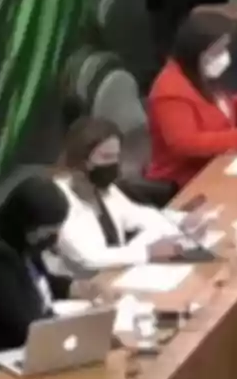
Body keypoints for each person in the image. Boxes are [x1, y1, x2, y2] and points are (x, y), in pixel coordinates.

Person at [0, 175, 86, 379]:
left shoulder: (21, 242)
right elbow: (25, 324)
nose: (54, 237)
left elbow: (38, 280)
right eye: (49, 230)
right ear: (27, 222)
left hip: (29, 348)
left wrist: (73, 288)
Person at [145, 11, 237, 190]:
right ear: (196, 51)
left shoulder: (202, 74)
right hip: (183, 183)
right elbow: (186, 144)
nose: (223, 56)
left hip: (218, 164)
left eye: (225, 48)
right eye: (216, 51)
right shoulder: (170, 91)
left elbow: (216, 107)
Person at [52, 115, 187, 274]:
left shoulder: (103, 188)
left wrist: (181, 221)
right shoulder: (58, 200)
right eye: (106, 157)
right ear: (81, 160)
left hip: (119, 274)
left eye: (116, 156)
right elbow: (90, 258)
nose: (113, 164)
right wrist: (147, 252)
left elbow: (138, 215)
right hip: (89, 285)